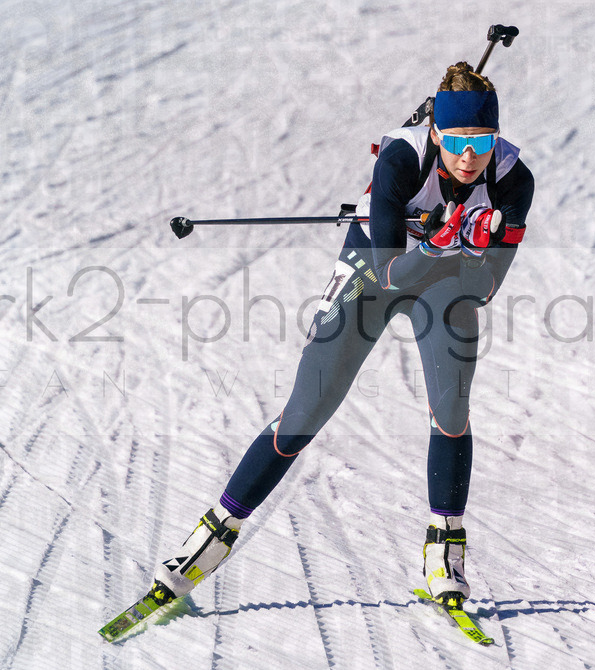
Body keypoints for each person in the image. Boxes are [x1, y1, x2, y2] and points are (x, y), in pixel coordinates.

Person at [152, 62, 535, 610]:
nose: (469, 155)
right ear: (435, 133)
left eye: (481, 141)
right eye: (455, 140)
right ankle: (209, 540)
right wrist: (442, 240)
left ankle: (443, 553)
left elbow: (486, 288)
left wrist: (470, 250)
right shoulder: (403, 159)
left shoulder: (513, 179)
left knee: (451, 406)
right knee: (306, 410)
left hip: (445, 275)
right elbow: (388, 273)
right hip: (379, 264)